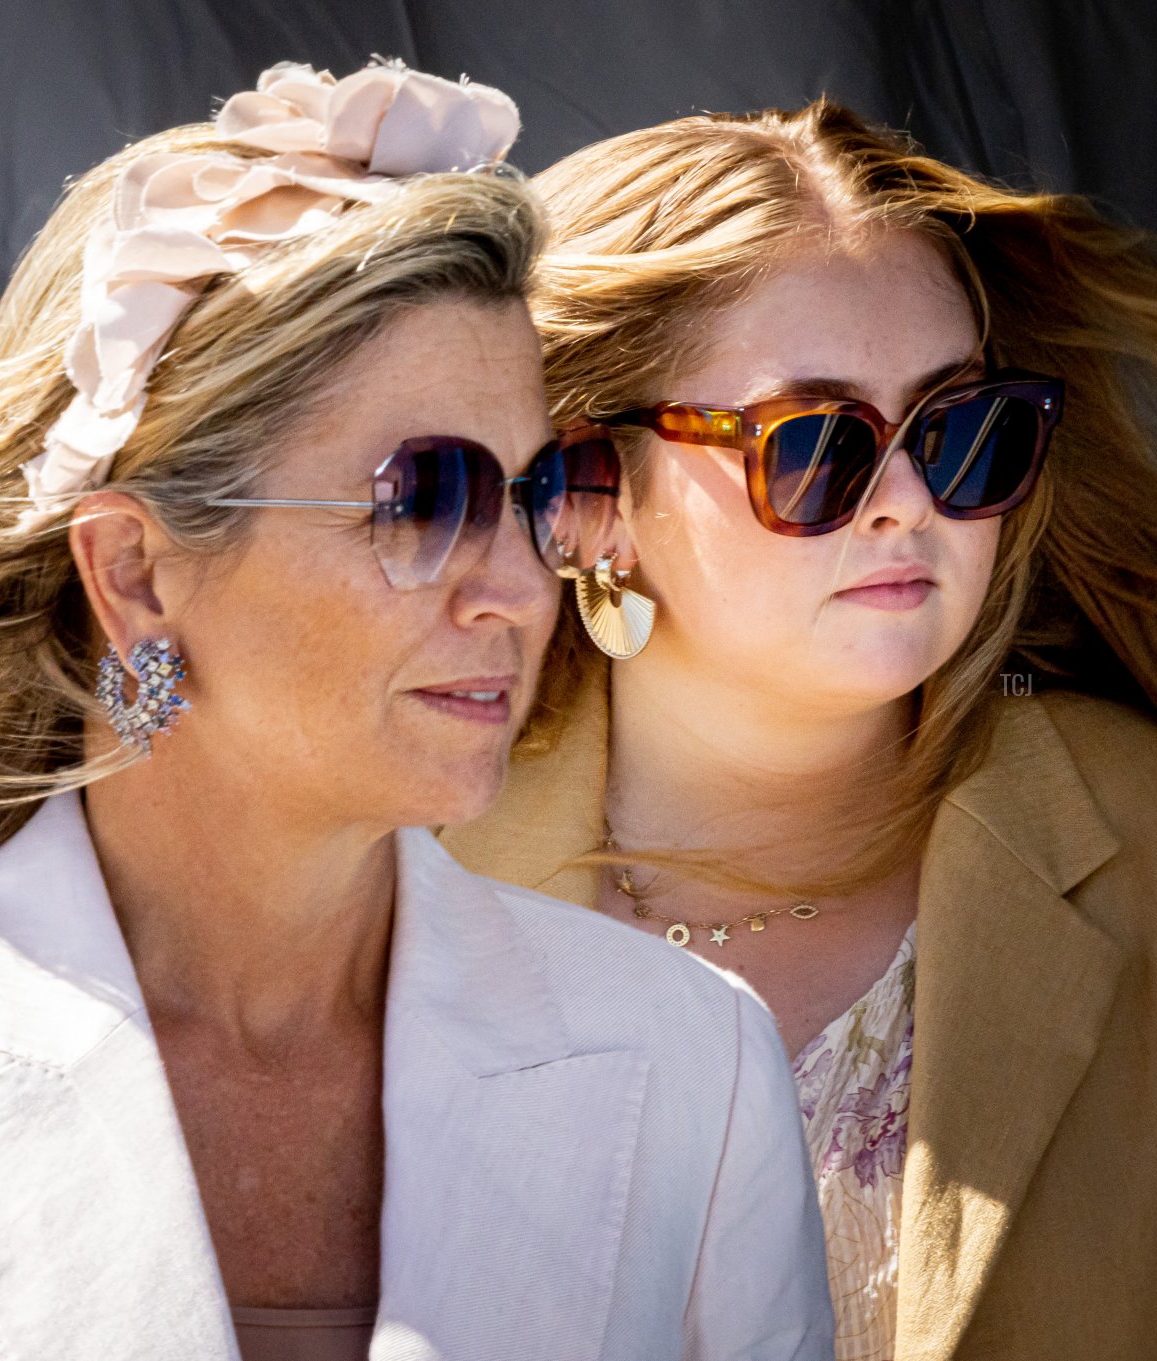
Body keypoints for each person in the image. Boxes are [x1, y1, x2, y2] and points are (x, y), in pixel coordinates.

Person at [0, 63, 834, 1361]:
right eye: (425, 498)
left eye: (537, 496)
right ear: (133, 570)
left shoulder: (692, 1067)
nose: (517, 590)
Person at [442, 100, 1157, 1361]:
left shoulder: (1137, 831)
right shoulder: (400, 873)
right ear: (591, 499)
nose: (906, 502)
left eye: (960, 430)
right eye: (816, 446)